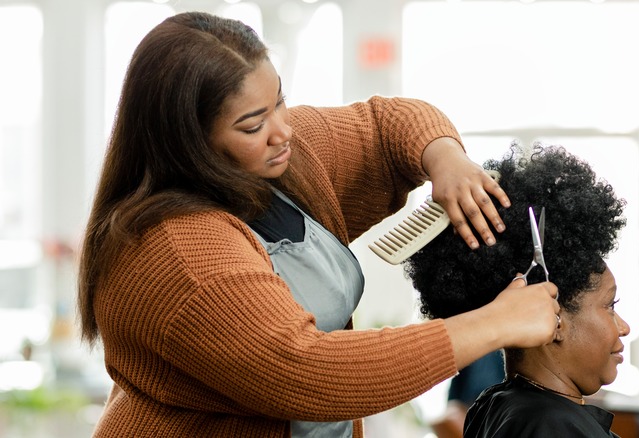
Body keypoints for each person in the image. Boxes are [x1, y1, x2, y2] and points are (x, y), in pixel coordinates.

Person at [75, 11, 561, 438]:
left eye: (279, 102)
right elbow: (305, 371)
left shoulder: (283, 160)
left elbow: (388, 124)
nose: (282, 131)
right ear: (188, 141)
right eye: (252, 124)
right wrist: (494, 324)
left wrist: (446, 158)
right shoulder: (175, 253)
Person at [404, 143, 631, 437]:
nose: (623, 327)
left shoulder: (494, 406)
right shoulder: (555, 427)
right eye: (610, 306)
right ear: (553, 317)